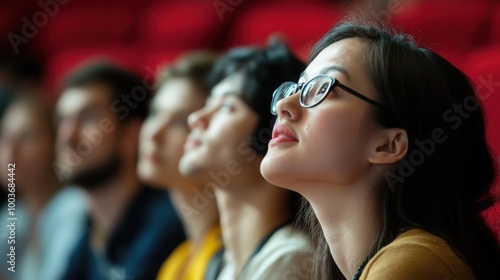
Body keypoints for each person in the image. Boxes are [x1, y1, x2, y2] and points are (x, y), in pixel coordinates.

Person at [261, 20, 500, 280]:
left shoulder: (411, 265)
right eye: (297, 87)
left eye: (321, 89)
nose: (285, 104)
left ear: (388, 145)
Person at [179, 41, 312, 280]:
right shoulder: (222, 263)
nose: (196, 118)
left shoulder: (291, 261)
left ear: (274, 129)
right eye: (209, 103)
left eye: (227, 106)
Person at [54, 61, 185, 280]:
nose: (68, 136)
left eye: (87, 118)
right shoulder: (89, 234)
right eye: (62, 120)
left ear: (131, 135)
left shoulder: (166, 225)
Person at [136, 51, 222, 280]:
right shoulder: (177, 260)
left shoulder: (229, 257)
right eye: (155, 113)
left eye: (181, 121)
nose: (154, 133)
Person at [0, 95, 87, 280]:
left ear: (55, 144)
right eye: (4, 137)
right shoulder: (15, 213)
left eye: (26, 137)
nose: (11, 150)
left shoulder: (73, 207)